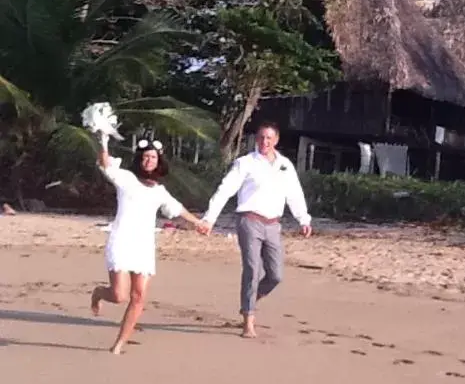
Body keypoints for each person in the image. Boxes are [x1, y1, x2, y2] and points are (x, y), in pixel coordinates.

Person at [90, 135, 204, 354]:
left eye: (153, 157)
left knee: (139, 296)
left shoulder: (159, 190)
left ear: (158, 161)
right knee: (119, 295)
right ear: (139, 159)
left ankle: (119, 344)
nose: (149, 160)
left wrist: (198, 223)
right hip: (122, 240)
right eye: (146, 157)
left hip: (143, 245)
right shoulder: (126, 178)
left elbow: (177, 209)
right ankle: (99, 293)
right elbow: (105, 164)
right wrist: (103, 139)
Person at [197, 122, 312, 338]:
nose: (264, 142)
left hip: (273, 224)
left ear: (276, 140)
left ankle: (249, 300)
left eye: (269, 138)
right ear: (256, 139)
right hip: (249, 220)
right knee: (252, 268)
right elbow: (224, 190)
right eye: (261, 138)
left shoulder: (285, 165)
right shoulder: (245, 163)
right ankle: (248, 320)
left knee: (275, 275)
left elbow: (295, 194)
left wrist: (303, 219)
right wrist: (209, 218)